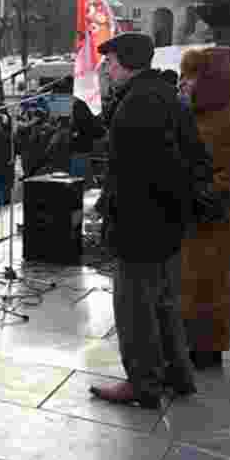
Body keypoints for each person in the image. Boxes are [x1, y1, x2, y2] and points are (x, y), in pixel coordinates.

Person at [90, 32, 197, 408]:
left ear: (127, 63)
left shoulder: (137, 105)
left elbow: (137, 174)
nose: (108, 66)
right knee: (165, 303)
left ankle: (143, 383)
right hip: (168, 224)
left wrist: (114, 214)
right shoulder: (168, 95)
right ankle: (178, 376)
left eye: (112, 60)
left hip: (141, 226)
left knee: (135, 310)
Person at [178, 47, 230, 368]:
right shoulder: (201, 112)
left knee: (213, 286)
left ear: (209, 81)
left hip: (217, 221)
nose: (183, 82)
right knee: (192, 285)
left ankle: (208, 350)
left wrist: (194, 193)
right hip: (196, 217)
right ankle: (192, 342)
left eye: (190, 77)